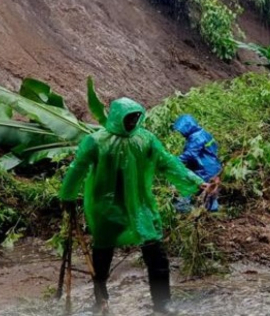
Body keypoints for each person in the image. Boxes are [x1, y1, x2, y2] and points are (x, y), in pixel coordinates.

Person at [59, 98, 208, 315]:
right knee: (102, 255)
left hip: (140, 206)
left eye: (136, 117)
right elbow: (77, 169)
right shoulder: (96, 142)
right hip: (106, 207)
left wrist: (195, 181)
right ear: (118, 117)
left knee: (155, 252)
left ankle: (162, 303)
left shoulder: (145, 140)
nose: (133, 122)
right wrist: (68, 196)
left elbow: (167, 162)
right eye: (129, 118)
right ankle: (101, 301)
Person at [172, 115, 222, 212]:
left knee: (188, 187)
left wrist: (173, 161)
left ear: (187, 127)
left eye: (181, 130)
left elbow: (190, 154)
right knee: (211, 192)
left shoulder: (196, 138)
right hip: (213, 167)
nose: (181, 133)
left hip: (204, 169)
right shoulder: (203, 133)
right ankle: (213, 212)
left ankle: (184, 210)